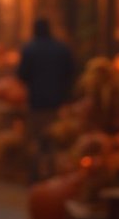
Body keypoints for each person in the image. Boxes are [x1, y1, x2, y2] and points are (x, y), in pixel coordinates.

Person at [18, 17, 76, 182]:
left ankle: (35, 174)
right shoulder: (62, 49)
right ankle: (51, 174)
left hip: (36, 101)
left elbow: (22, 74)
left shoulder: (29, 49)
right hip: (56, 101)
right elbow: (71, 72)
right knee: (53, 138)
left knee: (36, 139)